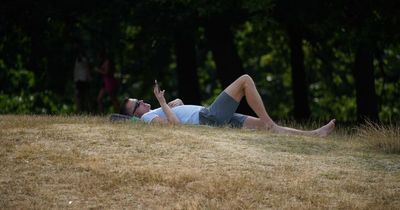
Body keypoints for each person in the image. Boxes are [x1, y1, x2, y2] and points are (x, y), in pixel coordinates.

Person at [120, 74, 335, 137]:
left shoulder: (156, 112)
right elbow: (175, 127)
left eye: (139, 100)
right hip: (209, 118)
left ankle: (313, 134)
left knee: (261, 125)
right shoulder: (147, 119)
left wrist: (174, 104)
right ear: (134, 114)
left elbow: (176, 115)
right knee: (245, 80)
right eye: (137, 104)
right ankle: (273, 125)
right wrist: (163, 102)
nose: (142, 102)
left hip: (212, 119)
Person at [73, 42, 91, 113]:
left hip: (83, 79)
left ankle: (86, 110)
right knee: (79, 96)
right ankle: (80, 110)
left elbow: (87, 69)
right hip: (79, 80)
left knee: (84, 96)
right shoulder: (78, 59)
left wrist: (88, 77)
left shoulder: (83, 59)